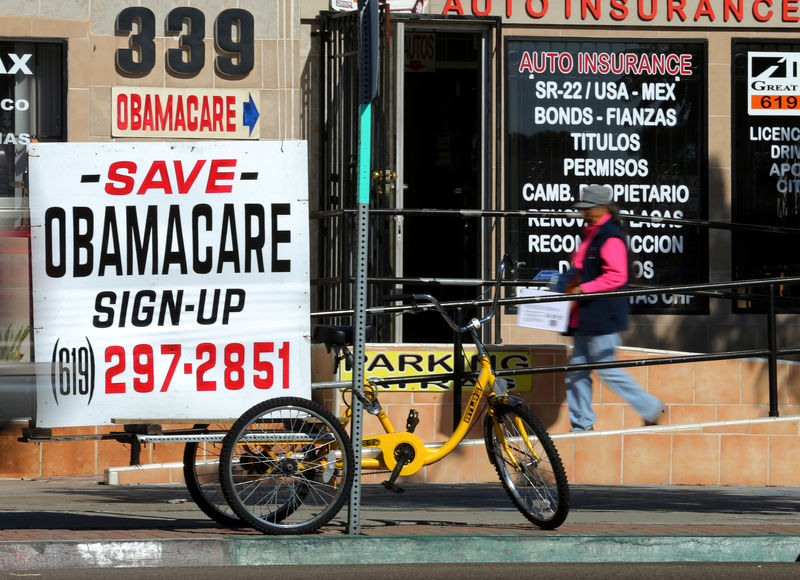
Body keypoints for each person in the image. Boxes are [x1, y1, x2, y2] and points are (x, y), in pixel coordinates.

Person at [564, 184, 664, 432]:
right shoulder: (592, 234)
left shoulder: (609, 237)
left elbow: (617, 277)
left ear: (604, 207)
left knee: (607, 370)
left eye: (589, 208)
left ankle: (650, 408)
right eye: (583, 208)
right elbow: (581, 269)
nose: (585, 213)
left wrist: (583, 288)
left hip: (602, 315)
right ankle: (582, 425)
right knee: (576, 372)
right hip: (586, 316)